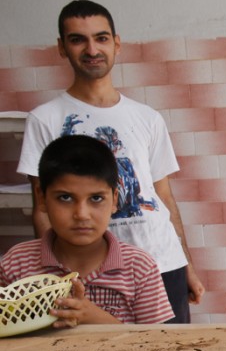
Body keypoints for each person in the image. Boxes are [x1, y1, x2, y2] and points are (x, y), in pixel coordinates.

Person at [17, 0, 203, 322]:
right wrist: (55, 276)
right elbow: (43, 206)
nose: (92, 49)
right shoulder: (44, 119)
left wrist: (186, 264)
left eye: (101, 38)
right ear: (62, 48)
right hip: (89, 273)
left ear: (116, 43)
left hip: (162, 264)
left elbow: (164, 198)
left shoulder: (147, 117)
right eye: (78, 39)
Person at [1, 135, 175, 326]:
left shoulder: (139, 267)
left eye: (96, 198)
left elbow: (156, 345)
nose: (82, 214)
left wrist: (97, 320)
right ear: (41, 199)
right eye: (65, 198)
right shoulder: (16, 264)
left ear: (114, 200)